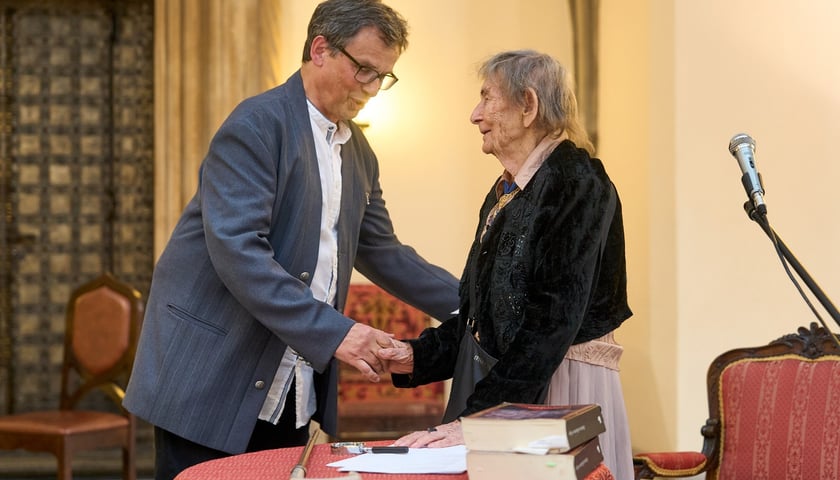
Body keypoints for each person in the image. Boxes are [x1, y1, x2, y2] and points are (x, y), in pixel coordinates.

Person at [122, 1, 460, 478]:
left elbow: (385, 253)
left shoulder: (358, 152)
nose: (372, 89)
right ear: (319, 48)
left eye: (383, 76)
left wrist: (477, 302)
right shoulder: (257, 125)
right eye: (363, 69)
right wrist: (338, 332)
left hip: (290, 383)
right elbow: (239, 254)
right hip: (212, 375)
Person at [378, 50, 634, 479]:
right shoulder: (505, 191)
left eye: (486, 98)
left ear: (528, 106)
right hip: (510, 383)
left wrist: (480, 420)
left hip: (557, 384)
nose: (475, 115)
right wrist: (412, 356)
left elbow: (552, 321)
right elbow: (480, 315)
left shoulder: (576, 180)